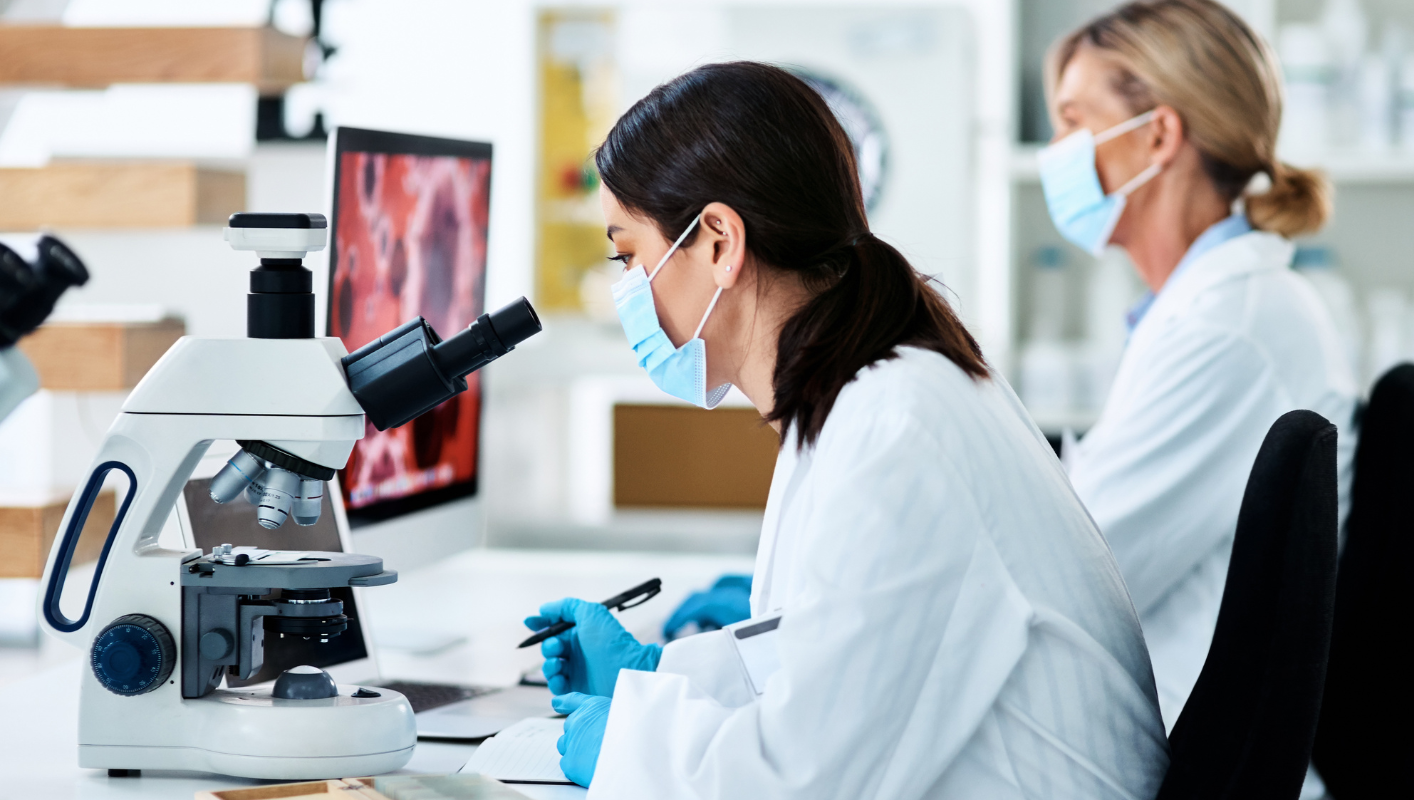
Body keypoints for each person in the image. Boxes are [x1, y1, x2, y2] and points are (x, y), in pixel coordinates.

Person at [523, 61, 1169, 797]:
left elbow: (803, 779)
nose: (628, 293)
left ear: (718, 242)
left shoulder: (896, 428)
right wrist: (659, 675)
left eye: (628, 254)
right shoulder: (866, 394)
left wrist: (629, 748)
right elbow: (831, 656)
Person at [1039, 0, 1358, 755]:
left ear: (1158, 135)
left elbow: (1073, 581)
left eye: (1073, 122)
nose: (1056, 151)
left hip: (1170, 737)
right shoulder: (1209, 307)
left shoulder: (1226, 328)